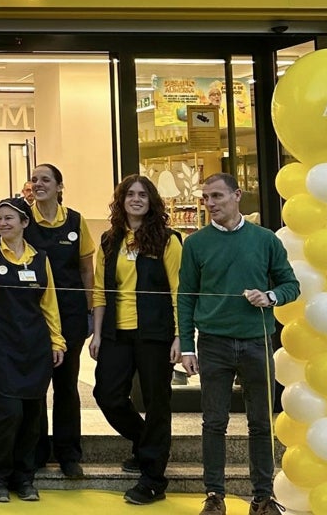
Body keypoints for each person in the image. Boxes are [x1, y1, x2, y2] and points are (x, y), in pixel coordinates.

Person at [178, 173, 299, 515]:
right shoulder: (196, 244)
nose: (210, 203)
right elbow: (185, 297)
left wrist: (271, 296)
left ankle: (262, 498)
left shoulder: (266, 240)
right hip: (213, 343)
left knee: (261, 421)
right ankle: (215, 496)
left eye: (216, 196)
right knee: (213, 422)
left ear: (237, 196)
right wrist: (187, 346)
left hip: (257, 342)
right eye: (205, 198)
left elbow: (291, 284)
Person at [90, 175, 183, 505]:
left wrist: (180, 337)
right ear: (121, 200)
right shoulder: (109, 241)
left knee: (158, 401)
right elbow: (100, 291)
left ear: (152, 200)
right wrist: (98, 334)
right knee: (107, 393)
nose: (136, 199)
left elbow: (178, 292)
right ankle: (148, 444)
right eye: (130, 194)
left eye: (143, 194)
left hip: (156, 334)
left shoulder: (168, 241)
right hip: (117, 332)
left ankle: (154, 478)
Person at [0, 197, 65, 503]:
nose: (3, 223)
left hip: (35, 349)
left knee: (32, 415)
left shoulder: (40, 259)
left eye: (10, 218)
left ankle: (25, 478)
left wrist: (57, 340)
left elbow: (49, 304)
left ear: (25, 223)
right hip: (1, 347)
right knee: (7, 413)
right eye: (0, 218)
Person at [24, 163, 94, 477]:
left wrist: (91, 309)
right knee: (36, 385)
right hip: (33, 316)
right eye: (35, 179)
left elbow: (86, 270)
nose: (39, 184)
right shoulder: (23, 221)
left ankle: (69, 454)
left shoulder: (77, 222)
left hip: (70, 314)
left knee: (66, 385)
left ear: (59, 186)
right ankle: (37, 451)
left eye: (46, 179)